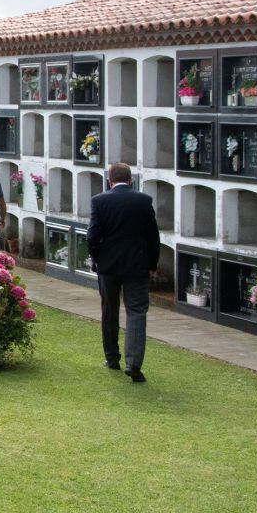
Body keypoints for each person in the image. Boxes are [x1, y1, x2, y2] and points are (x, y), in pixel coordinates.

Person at [87, 162, 161, 383]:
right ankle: (133, 363)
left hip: (108, 266)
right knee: (136, 312)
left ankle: (112, 358)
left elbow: (92, 236)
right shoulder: (143, 201)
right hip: (136, 266)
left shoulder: (99, 201)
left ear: (110, 181)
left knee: (109, 310)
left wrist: (97, 259)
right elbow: (153, 237)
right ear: (131, 180)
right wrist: (152, 264)